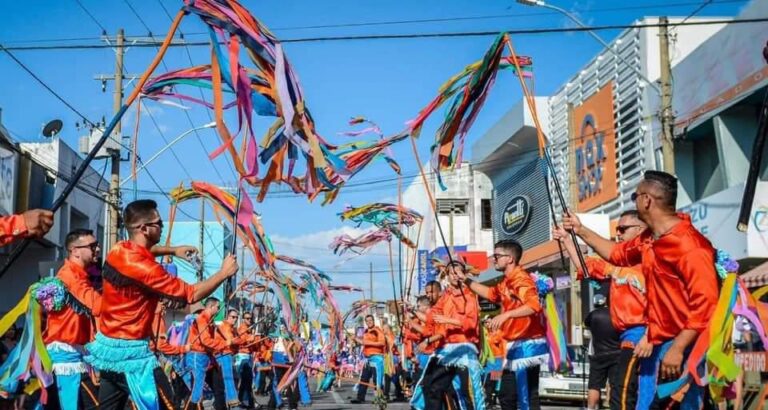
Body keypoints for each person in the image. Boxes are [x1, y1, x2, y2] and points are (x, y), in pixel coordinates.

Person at [562, 170, 719, 409]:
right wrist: (580, 229)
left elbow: (707, 304)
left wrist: (678, 348)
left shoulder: (690, 245)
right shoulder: (649, 238)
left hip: (683, 345)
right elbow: (616, 253)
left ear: (647, 200)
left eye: (635, 195)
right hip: (656, 343)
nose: (634, 200)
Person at [84, 199, 238, 410]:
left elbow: (146, 252)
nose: (162, 226)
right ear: (144, 228)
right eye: (158, 223)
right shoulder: (146, 269)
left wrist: (173, 251)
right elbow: (191, 294)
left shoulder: (119, 249)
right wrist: (223, 273)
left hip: (108, 351)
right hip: (134, 357)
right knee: (169, 405)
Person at [554, 209, 651, 410]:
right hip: (626, 337)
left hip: (645, 334)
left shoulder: (651, 261)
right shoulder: (616, 263)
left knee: (626, 390)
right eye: (617, 229)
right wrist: (566, 240)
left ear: (640, 229)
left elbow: (663, 302)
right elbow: (585, 265)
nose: (618, 234)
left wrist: (649, 335)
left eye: (623, 229)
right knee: (625, 389)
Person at [459, 240, 547, 410]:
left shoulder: (521, 279)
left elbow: (534, 305)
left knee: (526, 396)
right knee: (507, 396)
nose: (493, 259)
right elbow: (490, 293)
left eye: (497, 256)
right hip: (515, 345)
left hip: (527, 344)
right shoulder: (506, 281)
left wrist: (506, 315)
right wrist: (466, 280)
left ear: (510, 259)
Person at [42, 229, 102, 410]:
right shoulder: (70, 277)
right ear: (75, 250)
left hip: (78, 356)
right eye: (92, 246)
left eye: (96, 245)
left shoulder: (81, 276)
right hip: (67, 360)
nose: (97, 249)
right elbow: (97, 305)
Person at [419, 259, 486, 410]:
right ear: (447, 276)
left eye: (458, 273)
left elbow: (471, 322)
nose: (455, 276)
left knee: (468, 392)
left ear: (464, 274)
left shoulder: (469, 295)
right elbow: (433, 316)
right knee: (432, 386)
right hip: (447, 350)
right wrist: (414, 311)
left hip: (464, 349)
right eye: (451, 273)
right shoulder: (445, 297)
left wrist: (448, 319)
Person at [186, 298, 227, 409]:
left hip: (208, 357)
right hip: (197, 356)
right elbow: (206, 341)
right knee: (197, 391)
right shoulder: (202, 319)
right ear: (211, 307)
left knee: (219, 386)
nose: (219, 310)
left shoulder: (210, 321)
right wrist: (223, 344)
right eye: (217, 307)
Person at [584, 294, 621, 410]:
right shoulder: (616, 314)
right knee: (614, 383)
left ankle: (591, 408)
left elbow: (587, 327)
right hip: (616, 353)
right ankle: (610, 405)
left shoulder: (592, 315)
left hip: (598, 355)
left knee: (594, 385)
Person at [350, 315, 386, 404]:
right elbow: (363, 343)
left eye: (370, 320)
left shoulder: (377, 331)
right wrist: (355, 340)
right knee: (363, 379)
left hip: (376, 359)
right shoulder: (366, 332)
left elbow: (382, 342)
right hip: (368, 359)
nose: (369, 322)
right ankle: (360, 397)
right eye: (367, 321)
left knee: (377, 380)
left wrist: (367, 342)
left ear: (373, 321)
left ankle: (379, 399)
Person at [213, 309, 243, 409]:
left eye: (236, 317)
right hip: (222, 356)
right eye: (232, 317)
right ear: (227, 316)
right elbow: (231, 340)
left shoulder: (232, 328)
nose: (234, 319)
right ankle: (234, 406)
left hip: (228, 356)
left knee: (233, 380)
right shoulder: (224, 326)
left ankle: (223, 404)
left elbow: (236, 342)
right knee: (228, 381)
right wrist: (242, 339)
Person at [236, 311, 257, 409]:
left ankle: (244, 401)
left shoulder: (249, 329)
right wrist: (251, 337)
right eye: (247, 318)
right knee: (245, 381)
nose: (249, 320)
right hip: (242, 356)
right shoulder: (242, 328)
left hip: (248, 356)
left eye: (250, 318)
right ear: (243, 319)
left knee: (246, 381)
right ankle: (248, 402)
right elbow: (244, 339)